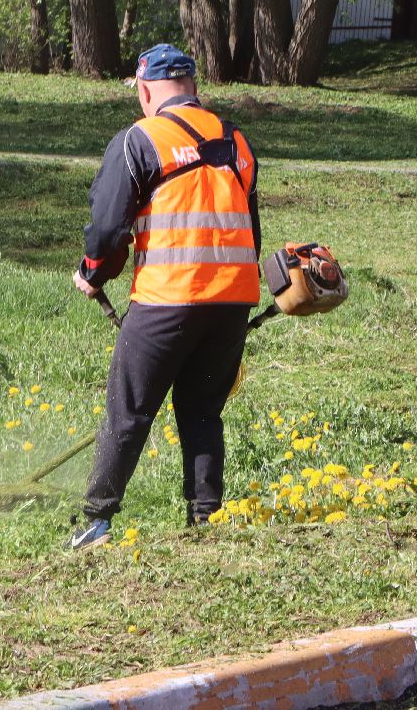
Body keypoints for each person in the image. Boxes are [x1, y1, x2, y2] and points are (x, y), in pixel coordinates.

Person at [68, 43, 260, 549]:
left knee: (128, 411)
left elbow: (108, 227)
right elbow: (251, 230)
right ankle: (206, 518)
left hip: (167, 298)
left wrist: (93, 273)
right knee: (202, 410)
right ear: (193, 87)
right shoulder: (236, 141)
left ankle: (96, 522)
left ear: (147, 90)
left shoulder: (140, 139)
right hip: (233, 300)